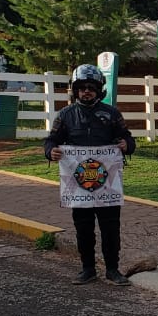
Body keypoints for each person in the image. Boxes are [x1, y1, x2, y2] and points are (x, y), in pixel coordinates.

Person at [44, 63, 136, 285]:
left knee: (110, 228)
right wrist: (51, 151)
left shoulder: (112, 114)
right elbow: (51, 140)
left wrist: (126, 144)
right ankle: (87, 268)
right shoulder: (65, 115)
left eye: (91, 87)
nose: (86, 91)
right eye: (82, 87)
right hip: (78, 186)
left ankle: (113, 269)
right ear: (74, 90)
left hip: (108, 185)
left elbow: (129, 138)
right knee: (83, 228)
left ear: (99, 90)